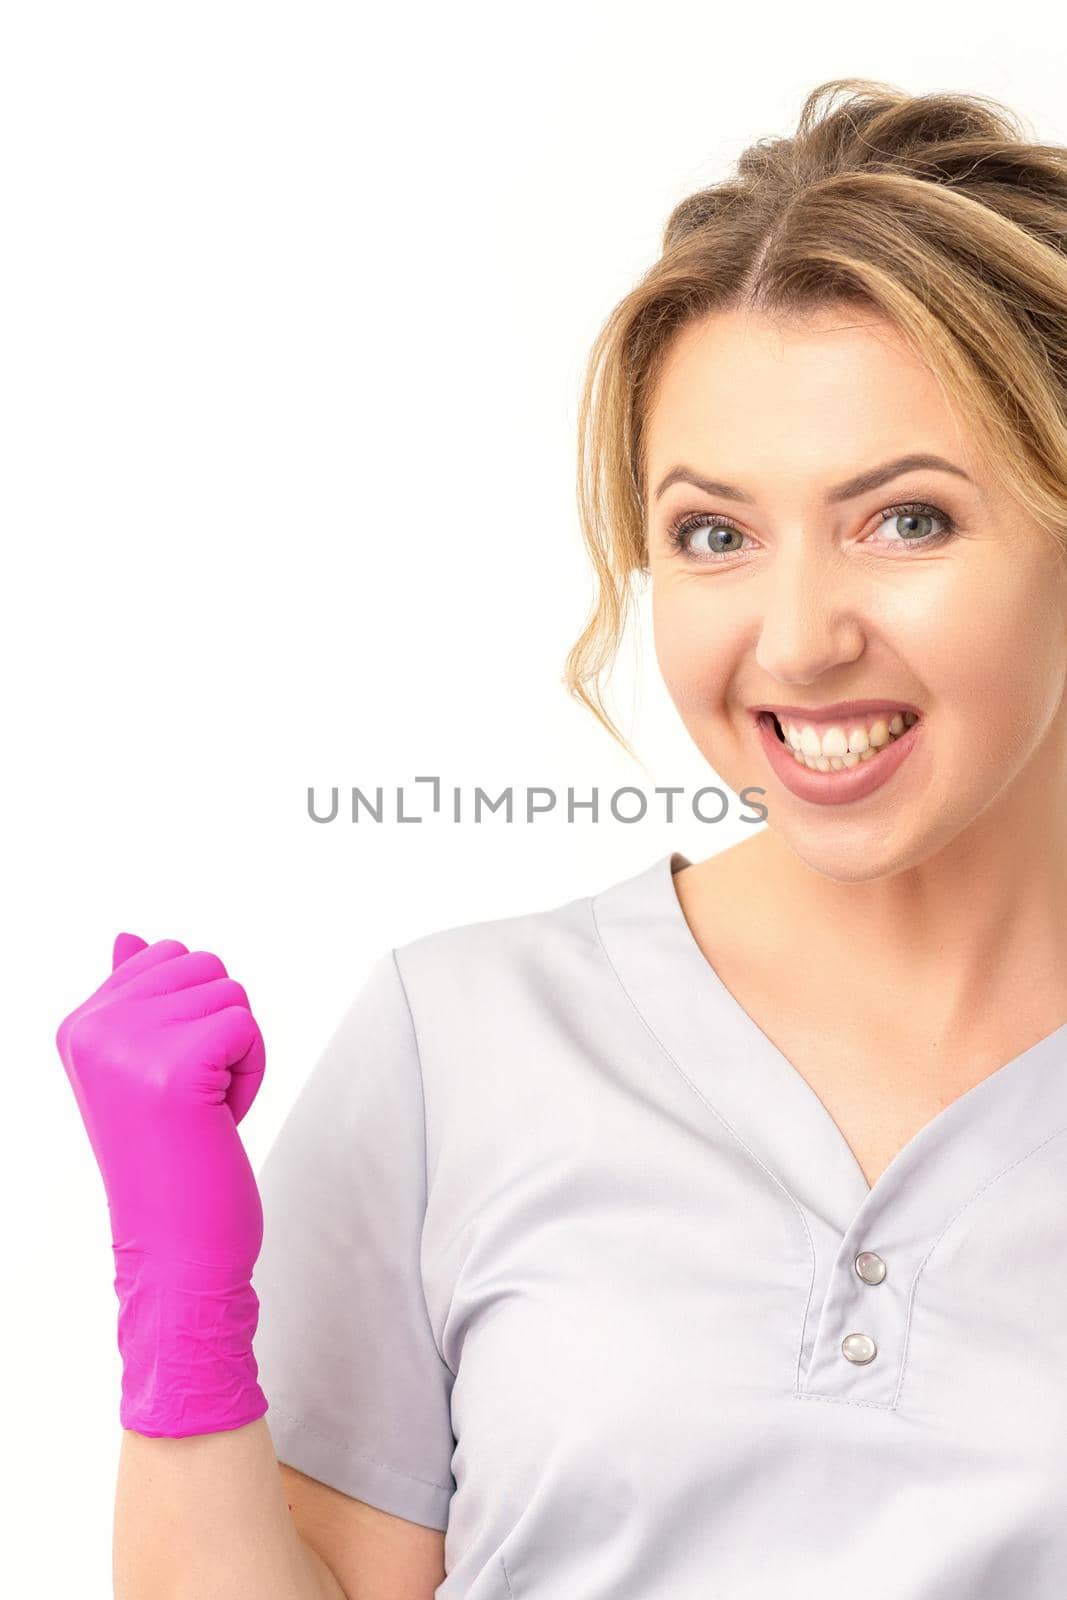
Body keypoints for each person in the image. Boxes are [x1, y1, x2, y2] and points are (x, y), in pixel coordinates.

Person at [56, 76, 1067, 1599]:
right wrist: (183, 1322)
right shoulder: (461, 1043)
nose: (795, 643)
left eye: (905, 519)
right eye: (713, 535)